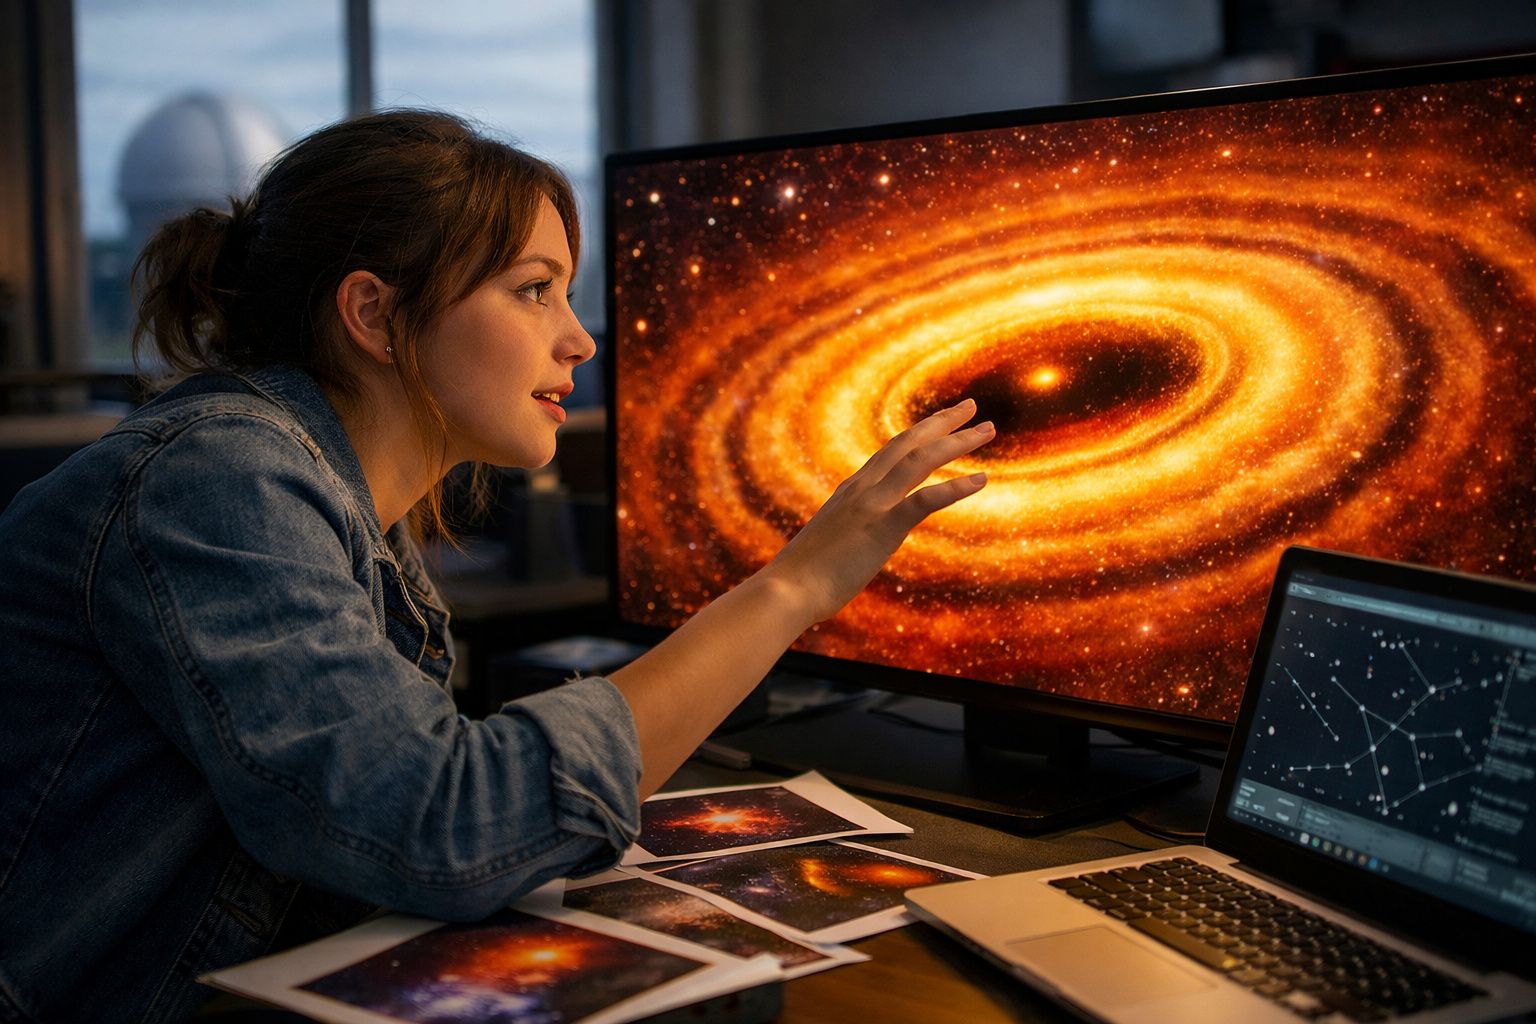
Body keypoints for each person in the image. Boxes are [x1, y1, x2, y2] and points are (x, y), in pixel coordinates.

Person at [0, 109, 992, 1023]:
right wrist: (796, 586)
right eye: (534, 290)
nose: (581, 337)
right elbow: (442, 827)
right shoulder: (217, 479)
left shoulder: (331, 502)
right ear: (375, 315)